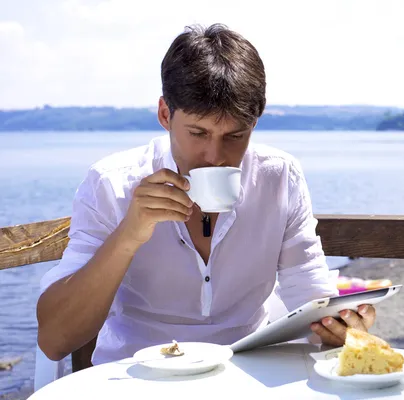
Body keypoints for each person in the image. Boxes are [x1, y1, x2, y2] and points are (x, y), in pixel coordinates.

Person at [36, 23, 377, 365]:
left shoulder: (278, 176)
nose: (215, 157)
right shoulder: (111, 183)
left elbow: (308, 288)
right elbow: (54, 340)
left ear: (254, 125)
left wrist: (340, 327)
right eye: (198, 133)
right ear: (165, 114)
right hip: (135, 377)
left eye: (234, 136)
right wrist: (128, 235)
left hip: (246, 375)